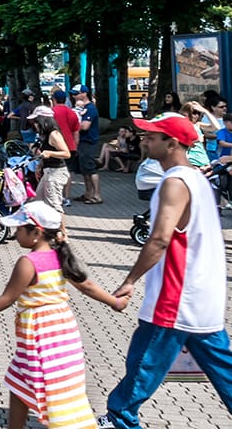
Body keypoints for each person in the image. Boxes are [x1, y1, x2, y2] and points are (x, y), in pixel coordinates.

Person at [99, 113, 232, 428]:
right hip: (202, 296)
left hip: (177, 295)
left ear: (172, 144)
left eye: (151, 137)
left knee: (144, 362)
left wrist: (130, 280)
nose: (144, 141)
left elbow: (159, 239)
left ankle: (119, 419)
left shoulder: (174, 183)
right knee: (223, 369)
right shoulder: (198, 179)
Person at [0, 201, 124, 429]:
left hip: (39, 334)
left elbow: (7, 298)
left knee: (50, 389)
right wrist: (115, 302)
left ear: (36, 233)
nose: (15, 233)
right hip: (62, 330)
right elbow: (87, 286)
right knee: (22, 381)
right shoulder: (60, 256)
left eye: (19, 228)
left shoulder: (28, 263)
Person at [31, 107, 72, 212]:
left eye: (36, 122)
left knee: (54, 206)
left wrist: (50, 153)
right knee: (38, 201)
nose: (34, 125)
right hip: (48, 171)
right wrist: (39, 165)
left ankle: (60, 223)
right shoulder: (44, 135)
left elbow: (66, 153)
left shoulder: (54, 134)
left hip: (56, 172)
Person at [71, 88, 103, 204]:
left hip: (88, 142)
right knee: (84, 170)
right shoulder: (81, 108)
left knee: (90, 169)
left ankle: (97, 195)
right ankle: (88, 193)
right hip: (81, 142)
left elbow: (85, 126)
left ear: (84, 94)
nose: (74, 96)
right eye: (72, 94)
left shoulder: (90, 109)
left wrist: (72, 127)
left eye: (76, 94)